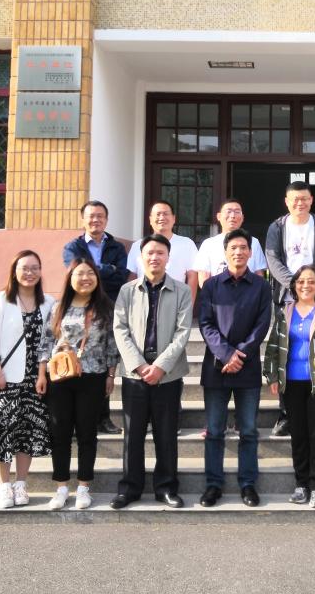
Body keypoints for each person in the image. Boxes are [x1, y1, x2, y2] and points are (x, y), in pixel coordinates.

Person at [111, 234, 193, 509]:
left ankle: (166, 488)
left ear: (168, 258)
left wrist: (160, 366)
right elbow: (120, 329)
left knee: (166, 435)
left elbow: (183, 332)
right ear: (141, 257)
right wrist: (139, 364)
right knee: (132, 435)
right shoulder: (127, 291)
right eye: (150, 253)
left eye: (160, 253)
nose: (155, 257)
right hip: (135, 374)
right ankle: (129, 488)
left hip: (168, 375)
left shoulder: (182, 291)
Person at [197, 229, 272, 508]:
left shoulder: (261, 286)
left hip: (248, 367)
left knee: (249, 431)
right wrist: (227, 354)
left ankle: (248, 484)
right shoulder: (211, 286)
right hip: (216, 367)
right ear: (225, 252)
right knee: (215, 431)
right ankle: (213, 485)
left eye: (243, 248)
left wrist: (241, 353)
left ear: (250, 253)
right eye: (234, 248)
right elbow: (205, 323)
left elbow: (262, 324)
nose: (238, 252)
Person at [38, 257, 119, 510]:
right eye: (80, 274)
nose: (85, 278)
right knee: (59, 432)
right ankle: (61, 487)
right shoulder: (58, 307)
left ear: (97, 278)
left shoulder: (106, 307)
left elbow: (112, 344)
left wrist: (111, 375)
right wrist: (41, 374)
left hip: (93, 377)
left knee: (87, 433)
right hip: (60, 376)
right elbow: (46, 341)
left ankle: (84, 487)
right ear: (70, 278)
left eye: (90, 273)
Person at [263, 265, 315, 509]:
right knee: (298, 436)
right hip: (291, 383)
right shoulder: (285, 312)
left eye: (311, 281)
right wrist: (272, 376)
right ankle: (301, 485)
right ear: (294, 286)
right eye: (301, 282)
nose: (306, 286)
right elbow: (273, 346)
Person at [0, 250, 54, 509]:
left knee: (27, 431)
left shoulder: (49, 302)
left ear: (41, 271)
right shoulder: (1, 300)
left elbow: (48, 341)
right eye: (24, 268)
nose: (30, 273)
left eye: (35, 268)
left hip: (35, 377)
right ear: (14, 271)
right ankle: (4, 486)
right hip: (7, 376)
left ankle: (21, 484)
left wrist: (43, 373)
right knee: (3, 430)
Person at [265, 180, 315, 436]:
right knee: (286, 355)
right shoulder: (277, 227)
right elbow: (272, 259)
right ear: (287, 202)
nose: (300, 203)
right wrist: (295, 285)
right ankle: (286, 414)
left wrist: (311, 285)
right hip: (286, 299)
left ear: (311, 199)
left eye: (304, 198)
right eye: (295, 199)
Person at [62, 199, 129, 435]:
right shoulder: (72, 247)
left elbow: (121, 275)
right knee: (78, 360)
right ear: (83, 220)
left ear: (106, 220)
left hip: (108, 307)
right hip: (79, 308)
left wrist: (93, 269)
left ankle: (104, 417)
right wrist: (106, 269)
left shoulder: (117, 247)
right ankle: (76, 418)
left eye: (100, 216)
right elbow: (73, 272)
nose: (96, 220)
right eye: (91, 216)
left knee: (104, 360)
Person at [128, 200, 200, 301]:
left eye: (166, 214)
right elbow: (132, 277)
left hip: (175, 302)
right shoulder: (137, 246)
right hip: (144, 302)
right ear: (150, 219)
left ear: (174, 218)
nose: (162, 218)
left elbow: (193, 277)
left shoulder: (187, 244)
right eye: (158, 214)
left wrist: (188, 305)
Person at [193, 198, 268, 288]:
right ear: (219, 216)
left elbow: (259, 274)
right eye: (228, 211)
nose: (232, 216)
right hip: (218, 294)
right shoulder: (208, 244)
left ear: (242, 218)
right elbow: (204, 278)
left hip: (247, 294)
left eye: (237, 212)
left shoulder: (254, 242)